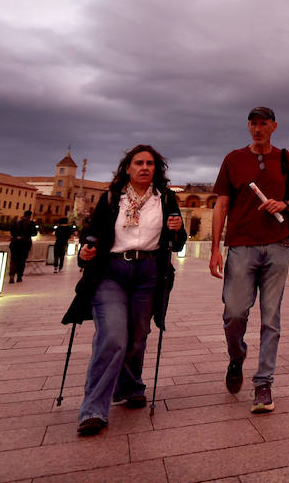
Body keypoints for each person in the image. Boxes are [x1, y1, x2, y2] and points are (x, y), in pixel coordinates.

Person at [62, 144, 186, 436]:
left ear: (157, 169)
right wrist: (86, 250)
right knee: (113, 336)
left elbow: (177, 243)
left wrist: (178, 228)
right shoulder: (111, 198)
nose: (144, 167)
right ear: (127, 168)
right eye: (138, 163)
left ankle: (130, 387)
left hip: (149, 272)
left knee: (138, 335)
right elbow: (92, 233)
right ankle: (93, 408)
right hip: (111, 272)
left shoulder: (166, 199)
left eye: (150, 163)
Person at [210, 106, 289, 414]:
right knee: (234, 312)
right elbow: (221, 205)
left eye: (263, 123)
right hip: (241, 246)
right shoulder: (233, 160)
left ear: (274, 126)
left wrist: (284, 203)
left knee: (270, 317)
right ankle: (236, 355)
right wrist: (215, 248)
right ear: (248, 126)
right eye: (253, 123)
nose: (257, 128)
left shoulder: (287, 160)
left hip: (278, 245)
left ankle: (263, 383)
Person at [8, 209, 38, 284]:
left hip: (15, 244)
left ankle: (12, 275)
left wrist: (17, 236)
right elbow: (34, 233)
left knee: (13, 260)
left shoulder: (16, 222)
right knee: (22, 261)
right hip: (25, 245)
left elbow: (11, 231)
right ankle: (19, 276)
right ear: (30, 216)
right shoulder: (31, 223)